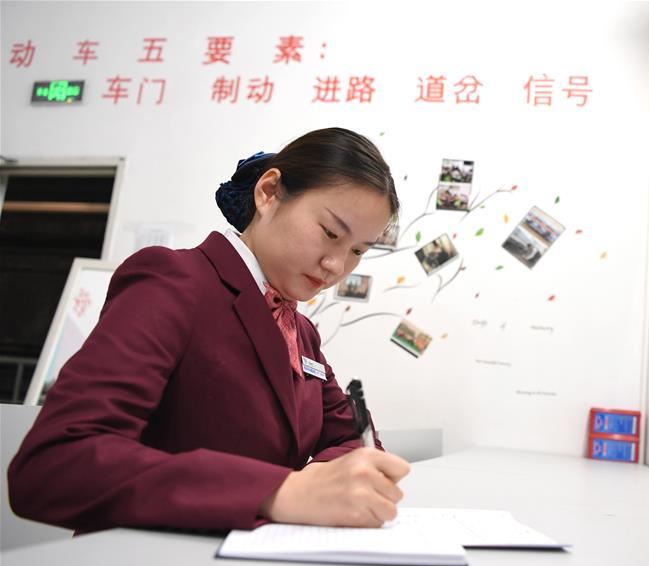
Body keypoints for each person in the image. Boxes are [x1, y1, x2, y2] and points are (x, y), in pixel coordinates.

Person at [7, 127, 411, 533]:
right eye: (330, 233)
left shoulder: (301, 333)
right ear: (268, 192)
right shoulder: (174, 281)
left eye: (357, 250)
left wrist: (323, 483)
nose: (337, 266)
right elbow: (55, 463)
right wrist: (280, 492)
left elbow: (356, 439)